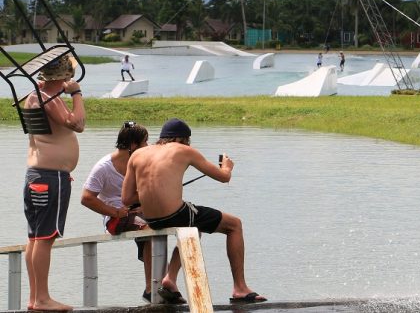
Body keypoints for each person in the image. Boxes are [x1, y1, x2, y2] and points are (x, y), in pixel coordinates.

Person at [123, 118, 267, 304]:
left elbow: (126, 199)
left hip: (152, 219)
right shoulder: (184, 150)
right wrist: (227, 167)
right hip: (174, 214)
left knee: (196, 226)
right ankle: (240, 288)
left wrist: (156, 190)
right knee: (234, 225)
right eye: (188, 141)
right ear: (181, 139)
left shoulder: (137, 154)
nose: (189, 145)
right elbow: (223, 178)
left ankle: (171, 279)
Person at [81, 122, 183, 304]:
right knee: (149, 228)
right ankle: (151, 287)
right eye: (145, 142)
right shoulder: (104, 167)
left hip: (139, 212)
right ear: (133, 145)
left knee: (183, 224)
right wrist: (116, 212)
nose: (148, 146)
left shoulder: (140, 162)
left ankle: (167, 280)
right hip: (115, 218)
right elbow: (87, 198)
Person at [23, 54, 86, 312]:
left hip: (36, 176)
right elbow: (78, 123)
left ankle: (35, 297)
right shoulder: (51, 99)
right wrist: (77, 94)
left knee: (35, 238)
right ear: (64, 77)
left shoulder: (33, 96)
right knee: (45, 238)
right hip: (51, 178)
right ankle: (42, 299)